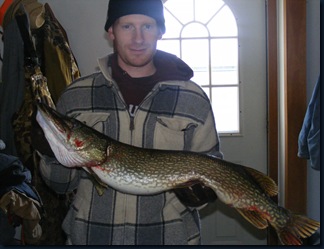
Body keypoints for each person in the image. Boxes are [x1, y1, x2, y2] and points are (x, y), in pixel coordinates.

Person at [32, 0, 223, 245]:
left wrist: (202, 194)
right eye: (127, 27)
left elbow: (213, 174)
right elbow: (60, 185)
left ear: (160, 32)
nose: (138, 39)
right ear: (111, 31)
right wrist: (49, 153)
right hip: (92, 238)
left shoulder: (192, 99)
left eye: (148, 26)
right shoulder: (75, 95)